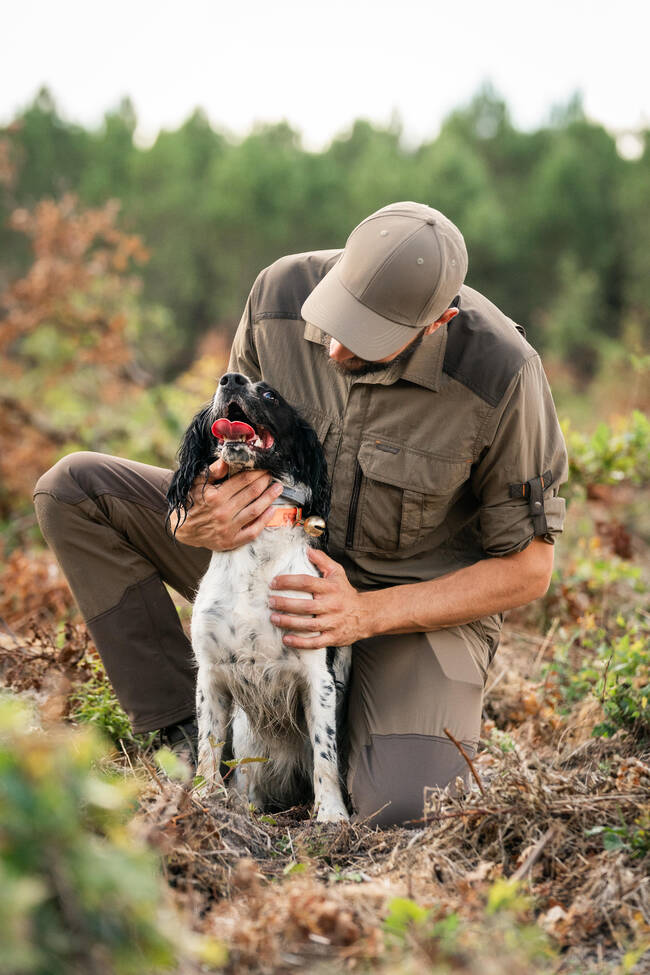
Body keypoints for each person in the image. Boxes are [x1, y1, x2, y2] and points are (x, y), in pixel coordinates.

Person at [33, 201, 568, 826]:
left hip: (407, 604)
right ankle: (188, 740)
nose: (337, 347)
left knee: (404, 806)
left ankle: (342, 745)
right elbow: (229, 442)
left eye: (367, 341)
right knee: (73, 490)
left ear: (437, 323)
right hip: (267, 554)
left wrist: (364, 614)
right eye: (337, 318)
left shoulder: (502, 374)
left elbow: (529, 570)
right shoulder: (279, 293)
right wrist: (194, 516)